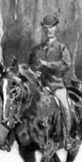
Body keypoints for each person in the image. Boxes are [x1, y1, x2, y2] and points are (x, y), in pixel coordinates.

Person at [28, 13, 75, 149]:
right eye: (46, 28)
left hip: (57, 85)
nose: (49, 31)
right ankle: (15, 138)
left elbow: (66, 64)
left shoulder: (61, 47)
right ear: (43, 29)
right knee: (25, 104)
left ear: (56, 29)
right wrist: (34, 72)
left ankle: (67, 138)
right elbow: (31, 66)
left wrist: (48, 65)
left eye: (51, 28)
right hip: (42, 86)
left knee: (65, 106)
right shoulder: (37, 50)